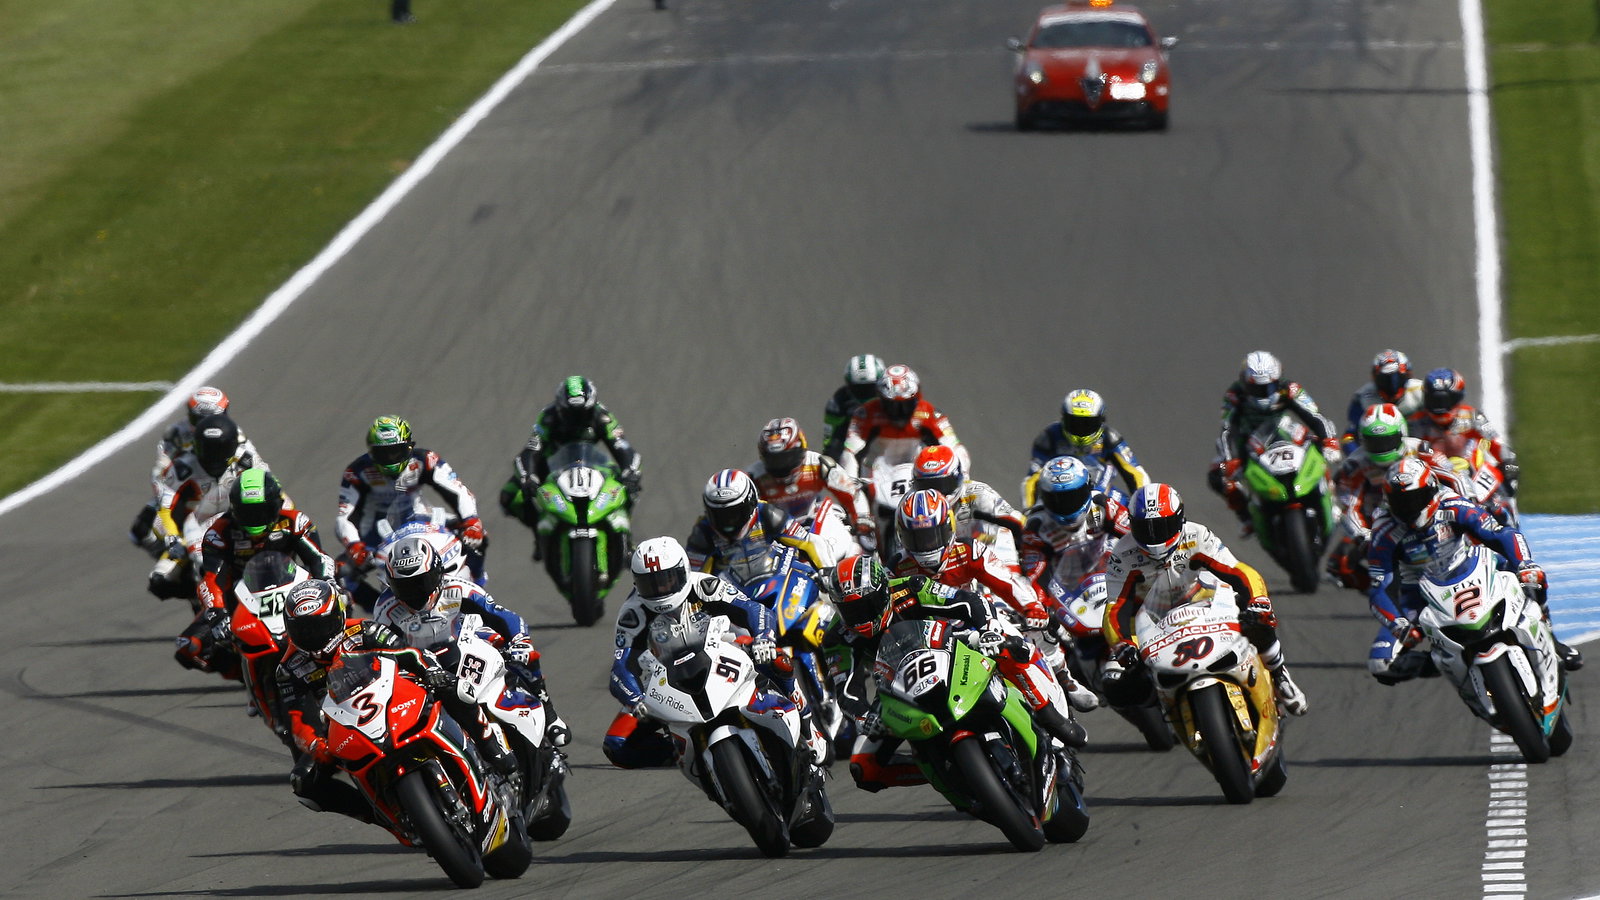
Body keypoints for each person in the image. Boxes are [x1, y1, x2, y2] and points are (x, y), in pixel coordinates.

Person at [828, 555, 1084, 793]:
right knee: (864, 769)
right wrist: (863, 717)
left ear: (884, 591)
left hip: (953, 648)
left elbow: (967, 601)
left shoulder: (911, 587)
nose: (861, 617)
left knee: (1009, 647)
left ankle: (1049, 716)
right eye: (851, 611)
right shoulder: (836, 636)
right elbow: (846, 688)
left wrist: (987, 628)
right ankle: (945, 771)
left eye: (867, 605)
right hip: (897, 685)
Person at [276, 580, 488, 825]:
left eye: (320, 626)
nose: (313, 636)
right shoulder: (289, 669)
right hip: (339, 726)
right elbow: (298, 719)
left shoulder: (364, 631)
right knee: (303, 781)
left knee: (451, 688)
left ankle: (489, 748)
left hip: (392, 696)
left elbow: (407, 655)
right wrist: (316, 745)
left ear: (337, 616)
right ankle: (378, 815)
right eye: (304, 630)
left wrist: (428, 671)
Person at [604, 537, 816, 768]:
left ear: (684, 572)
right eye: (650, 584)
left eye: (667, 580)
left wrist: (764, 638)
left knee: (777, 660)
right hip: (665, 682)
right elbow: (620, 669)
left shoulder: (704, 585)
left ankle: (808, 728)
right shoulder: (632, 614)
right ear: (636, 583)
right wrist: (635, 700)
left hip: (722, 653)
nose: (660, 590)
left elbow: (754, 610)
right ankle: (686, 754)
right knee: (617, 744)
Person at [1101, 483, 1309, 715]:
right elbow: (1115, 607)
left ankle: (1279, 674)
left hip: (1205, 603)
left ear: (1179, 519)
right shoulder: (1122, 554)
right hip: (1152, 620)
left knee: (1255, 615)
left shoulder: (1197, 535)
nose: (1154, 537)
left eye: (1162, 526)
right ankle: (1161, 707)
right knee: (1114, 685)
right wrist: (1122, 644)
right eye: (1145, 528)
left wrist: (1258, 600)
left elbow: (1239, 571)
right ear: (1131, 524)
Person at [1365, 459, 1581, 682]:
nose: (1409, 508)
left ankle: (1551, 640)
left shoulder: (1451, 504)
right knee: (1381, 664)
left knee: (1532, 577)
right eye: (1401, 502)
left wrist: (1525, 564)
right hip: (1420, 594)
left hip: (1472, 568)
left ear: (1430, 490)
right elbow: (1378, 587)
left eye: (1414, 499)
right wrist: (1398, 624)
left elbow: (1500, 533)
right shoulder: (1384, 531)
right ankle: (1447, 662)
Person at [890, 489, 1098, 713]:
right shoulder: (896, 568)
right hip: (929, 637)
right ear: (902, 537)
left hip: (978, 620)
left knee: (1022, 644)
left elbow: (1006, 582)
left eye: (931, 536)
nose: (926, 547)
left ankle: (1060, 688)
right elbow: (886, 615)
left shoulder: (968, 550)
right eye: (917, 539)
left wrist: (1033, 609)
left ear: (948, 528)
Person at [371, 535, 569, 746]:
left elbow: (503, 616)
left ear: (438, 574)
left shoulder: (459, 589)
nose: (415, 593)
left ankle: (549, 713)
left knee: (523, 653)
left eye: (421, 583)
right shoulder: (386, 608)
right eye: (405, 587)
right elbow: (381, 647)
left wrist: (520, 641)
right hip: (424, 659)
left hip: (467, 636)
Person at [180, 469, 336, 675]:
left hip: (291, 591)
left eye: (261, 511)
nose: (255, 519)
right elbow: (211, 580)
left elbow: (319, 559)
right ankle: (247, 675)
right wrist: (217, 612)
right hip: (238, 600)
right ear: (234, 510)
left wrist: (328, 584)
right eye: (248, 513)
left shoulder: (294, 522)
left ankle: (333, 663)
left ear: (276, 506)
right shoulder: (219, 533)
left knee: (340, 600)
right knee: (189, 646)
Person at [337, 415, 488, 587]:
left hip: (420, 516)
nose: (390, 459)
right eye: (383, 454)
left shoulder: (426, 460)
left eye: (396, 451)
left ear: (409, 447)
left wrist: (471, 521)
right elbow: (344, 516)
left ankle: (479, 586)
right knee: (341, 572)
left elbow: (459, 491)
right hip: (376, 533)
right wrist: (355, 546)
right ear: (371, 453)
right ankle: (376, 610)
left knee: (479, 536)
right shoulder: (357, 472)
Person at [1326, 403, 1467, 589]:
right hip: (1380, 521)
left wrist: (1465, 504)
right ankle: (1386, 592)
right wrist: (1362, 534)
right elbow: (1348, 504)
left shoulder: (1420, 449)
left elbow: (1453, 477)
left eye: (1386, 441)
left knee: (1476, 528)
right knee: (1339, 564)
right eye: (1374, 442)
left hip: (1429, 514)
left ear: (1401, 433)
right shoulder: (1355, 465)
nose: (1381, 448)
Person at [146, 414, 282, 601]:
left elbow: (275, 490)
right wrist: (173, 538)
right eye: (206, 448)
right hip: (196, 526)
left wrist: (284, 518)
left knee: (284, 544)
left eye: (219, 449)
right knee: (160, 581)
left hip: (243, 522)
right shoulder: (181, 469)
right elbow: (165, 508)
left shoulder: (247, 459)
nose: (212, 455)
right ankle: (201, 601)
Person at [1208, 351, 1340, 533]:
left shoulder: (1290, 389)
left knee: (1317, 446)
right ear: (1245, 384)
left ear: (1278, 380)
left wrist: (1329, 441)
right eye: (1257, 389)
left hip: (1283, 429)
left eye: (1269, 387)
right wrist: (1228, 459)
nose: (1264, 394)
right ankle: (1246, 516)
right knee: (1216, 475)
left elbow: (1314, 416)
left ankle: (1330, 500)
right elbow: (1227, 430)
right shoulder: (1233, 396)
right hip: (1248, 438)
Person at [131, 387, 245, 554]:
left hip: (222, 486)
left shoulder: (233, 433)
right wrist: (166, 492)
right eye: (197, 418)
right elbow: (159, 473)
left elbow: (254, 464)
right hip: (184, 487)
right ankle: (175, 562)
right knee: (141, 530)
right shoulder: (176, 434)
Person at [747, 416, 874, 555]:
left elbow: (851, 492)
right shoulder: (753, 477)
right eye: (774, 460)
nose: (781, 465)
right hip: (778, 533)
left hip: (816, 518)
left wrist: (861, 518)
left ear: (800, 448)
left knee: (857, 547)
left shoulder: (819, 464)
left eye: (786, 458)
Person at [1020, 456, 1130, 600]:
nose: (1065, 505)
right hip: (1067, 596)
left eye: (1072, 497)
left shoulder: (1102, 506)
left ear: (1087, 488)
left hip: (1108, 579)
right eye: (1056, 500)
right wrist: (1043, 606)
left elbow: (1136, 535)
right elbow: (1036, 577)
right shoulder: (1037, 527)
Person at [1408, 368, 1519, 507]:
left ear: (1457, 398)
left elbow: (1498, 445)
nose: (1439, 407)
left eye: (1444, 400)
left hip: (1477, 479)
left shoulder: (1473, 417)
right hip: (1436, 481)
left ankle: (1505, 518)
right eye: (1434, 400)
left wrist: (1508, 463)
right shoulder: (1416, 424)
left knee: (1506, 476)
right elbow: (1408, 456)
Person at [837, 364, 968, 480]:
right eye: (891, 405)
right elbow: (849, 453)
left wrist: (963, 478)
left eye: (906, 405)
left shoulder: (930, 414)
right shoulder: (865, 414)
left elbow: (956, 449)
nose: (899, 412)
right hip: (875, 475)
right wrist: (851, 483)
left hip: (914, 473)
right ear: (881, 400)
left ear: (916, 397)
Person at [1022, 388, 1148, 505]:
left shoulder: (1110, 437)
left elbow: (1136, 473)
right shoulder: (1049, 437)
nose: (1081, 430)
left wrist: (1141, 508)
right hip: (1058, 500)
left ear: (1100, 421)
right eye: (1075, 423)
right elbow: (1031, 481)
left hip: (1100, 495)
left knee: (1128, 510)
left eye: (1087, 424)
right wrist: (1029, 511)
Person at [911, 444, 1025, 570]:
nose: (935, 495)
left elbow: (1020, 522)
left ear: (957, 477)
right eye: (927, 486)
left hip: (988, 560)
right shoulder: (910, 506)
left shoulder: (980, 494)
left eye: (941, 485)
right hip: (941, 568)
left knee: (1002, 533)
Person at [684, 468, 792, 587]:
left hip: (777, 580)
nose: (728, 520)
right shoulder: (703, 532)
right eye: (719, 514)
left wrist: (816, 571)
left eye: (734, 513)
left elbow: (807, 542)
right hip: (733, 594)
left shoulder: (769, 514)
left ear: (751, 503)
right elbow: (692, 576)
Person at [1343, 349, 1424, 447]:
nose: (1392, 385)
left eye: (1398, 378)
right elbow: (1349, 436)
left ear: (1408, 375)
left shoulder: (1421, 391)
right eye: (1385, 380)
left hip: (1421, 447)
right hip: (1383, 452)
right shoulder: (1362, 398)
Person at [821, 354, 886, 461]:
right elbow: (830, 439)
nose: (865, 393)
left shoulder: (890, 397)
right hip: (853, 442)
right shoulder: (838, 401)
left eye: (870, 388)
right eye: (859, 389)